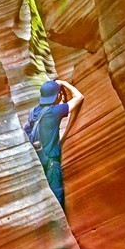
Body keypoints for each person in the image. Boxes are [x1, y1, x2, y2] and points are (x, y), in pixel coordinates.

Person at [23, 78, 84, 211]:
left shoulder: (34, 112)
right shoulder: (54, 112)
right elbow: (79, 97)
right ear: (57, 96)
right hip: (51, 165)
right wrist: (64, 83)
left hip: (38, 161)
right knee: (57, 204)